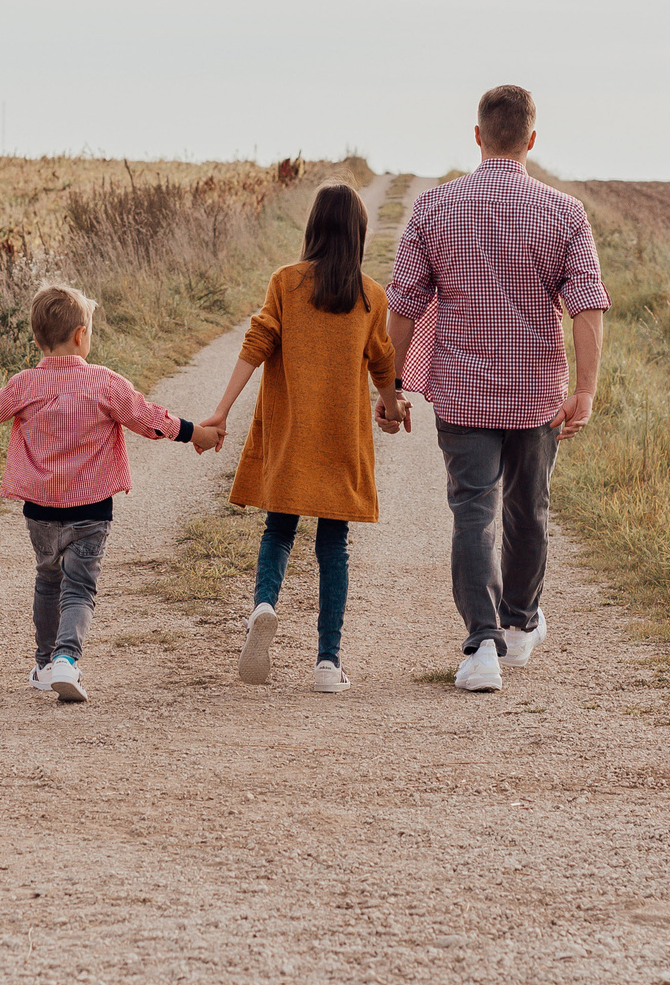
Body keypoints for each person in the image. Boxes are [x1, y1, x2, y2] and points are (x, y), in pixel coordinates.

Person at [386, 85, 609, 693]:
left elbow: (402, 306)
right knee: (528, 509)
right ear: (532, 139)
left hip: (461, 393)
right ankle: (517, 624)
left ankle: (481, 646)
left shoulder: (434, 209)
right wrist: (584, 391)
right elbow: (587, 309)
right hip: (537, 392)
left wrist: (394, 385)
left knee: (472, 511)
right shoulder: (564, 213)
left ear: (478, 136)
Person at [0, 283, 225, 703]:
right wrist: (195, 433)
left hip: (39, 511)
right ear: (81, 335)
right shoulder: (105, 383)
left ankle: (43, 664)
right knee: (79, 588)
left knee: (47, 579)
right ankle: (66, 660)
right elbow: (148, 419)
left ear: (38, 338)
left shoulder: (24, 384)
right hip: (91, 511)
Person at [200, 182, 398, 693]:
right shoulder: (371, 295)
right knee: (334, 548)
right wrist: (394, 407)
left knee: (279, 530)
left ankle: (265, 603)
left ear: (312, 228)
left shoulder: (285, 283)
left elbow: (257, 343)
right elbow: (382, 361)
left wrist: (220, 412)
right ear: (359, 234)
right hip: (341, 439)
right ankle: (328, 663)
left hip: (290, 433)